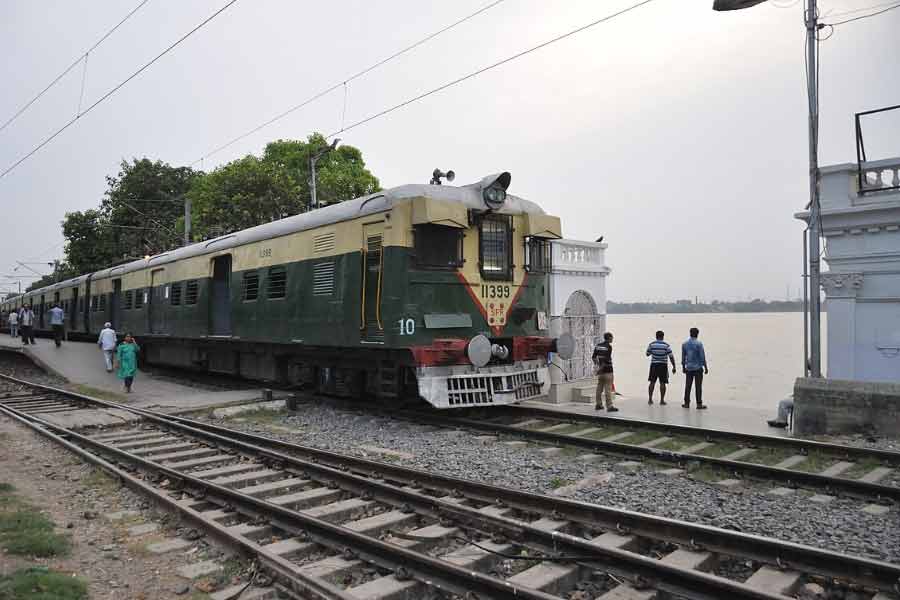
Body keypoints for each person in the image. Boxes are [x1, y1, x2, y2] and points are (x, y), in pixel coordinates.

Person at [646, 330, 676, 405]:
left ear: (656, 336)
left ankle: (650, 399)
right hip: (663, 366)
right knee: (662, 383)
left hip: (654, 365)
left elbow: (647, 354)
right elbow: (671, 356)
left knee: (652, 382)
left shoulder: (651, 344)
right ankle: (662, 400)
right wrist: (674, 366)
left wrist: (653, 352)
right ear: (663, 336)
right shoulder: (666, 345)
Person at [681, 327, 708, 409]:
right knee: (698, 386)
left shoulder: (684, 344)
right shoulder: (699, 344)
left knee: (688, 386)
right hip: (698, 368)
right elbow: (702, 357)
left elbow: (683, 357)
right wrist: (706, 367)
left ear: (690, 333)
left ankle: (686, 403)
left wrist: (683, 367)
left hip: (688, 368)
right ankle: (699, 404)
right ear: (697, 334)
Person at [592, 332, 618, 412]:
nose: (612, 339)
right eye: (612, 337)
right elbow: (606, 359)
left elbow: (593, 357)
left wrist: (597, 365)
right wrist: (601, 368)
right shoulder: (609, 347)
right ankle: (609, 406)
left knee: (599, 388)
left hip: (601, 372)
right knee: (608, 389)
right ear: (609, 338)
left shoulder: (598, 346)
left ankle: (598, 404)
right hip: (608, 370)